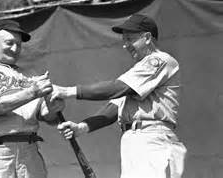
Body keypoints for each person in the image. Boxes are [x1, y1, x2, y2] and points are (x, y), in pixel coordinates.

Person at [51, 14, 187, 178]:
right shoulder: (138, 71)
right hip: (135, 140)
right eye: (124, 40)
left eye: (130, 39)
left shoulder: (160, 60)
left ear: (147, 37)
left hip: (153, 139)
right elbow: (113, 109)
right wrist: (81, 128)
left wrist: (67, 92)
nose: (125, 45)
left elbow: (117, 88)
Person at [0, 19, 65, 178]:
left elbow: (48, 118)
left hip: (29, 152)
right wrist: (32, 92)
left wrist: (54, 107)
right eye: (9, 43)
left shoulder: (30, 74)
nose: (15, 48)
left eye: (19, 44)